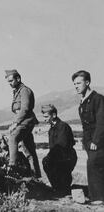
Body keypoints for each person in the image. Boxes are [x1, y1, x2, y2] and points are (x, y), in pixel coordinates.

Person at [72, 70, 104, 204]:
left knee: (93, 165)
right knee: (97, 165)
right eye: (74, 84)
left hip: (99, 139)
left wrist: (96, 140)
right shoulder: (83, 102)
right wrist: (85, 141)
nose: (76, 86)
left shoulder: (98, 99)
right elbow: (85, 126)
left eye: (79, 83)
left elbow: (102, 121)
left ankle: (97, 198)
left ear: (87, 82)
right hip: (88, 140)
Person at [5, 69, 41, 178]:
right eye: (8, 82)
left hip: (26, 120)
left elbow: (24, 109)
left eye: (11, 81)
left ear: (18, 79)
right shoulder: (17, 91)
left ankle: (12, 167)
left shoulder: (25, 91)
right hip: (23, 120)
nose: (10, 84)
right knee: (29, 149)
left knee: (13, 138)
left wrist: (16, 123)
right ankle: (36, 175)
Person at [41, 104, 77, 196]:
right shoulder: (52, 129)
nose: (44, 119)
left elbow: (61, 146)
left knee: (50, 162)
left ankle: (63, 187)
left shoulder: (63, 126)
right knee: (46, 161)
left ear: (54, 115)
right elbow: (53, 148)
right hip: (57, 156)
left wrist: (50, 157)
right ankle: (57, 187)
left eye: (46, 116)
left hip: (67, 156)